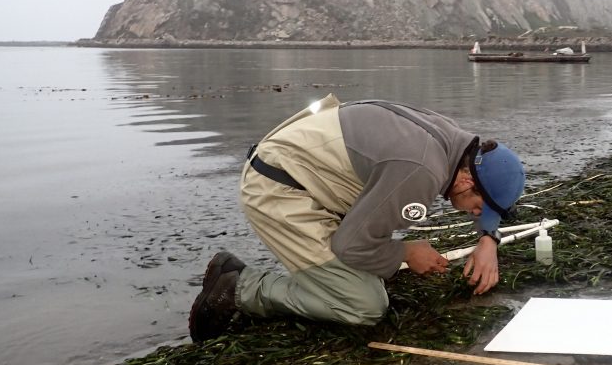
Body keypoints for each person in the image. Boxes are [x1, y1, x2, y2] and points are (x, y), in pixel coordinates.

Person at [189, 94, 526, 342]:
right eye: (479, 208)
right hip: (279, 189)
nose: (477, 215)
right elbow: (352, 247)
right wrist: (406, 252)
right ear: (467, 180)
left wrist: (488, 240)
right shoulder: (421, 172)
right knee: (365, 304)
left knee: (367, 272)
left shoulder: (452, 141)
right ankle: (237, 287)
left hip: (298, 167)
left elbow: (479, 196)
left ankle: (311, 276)